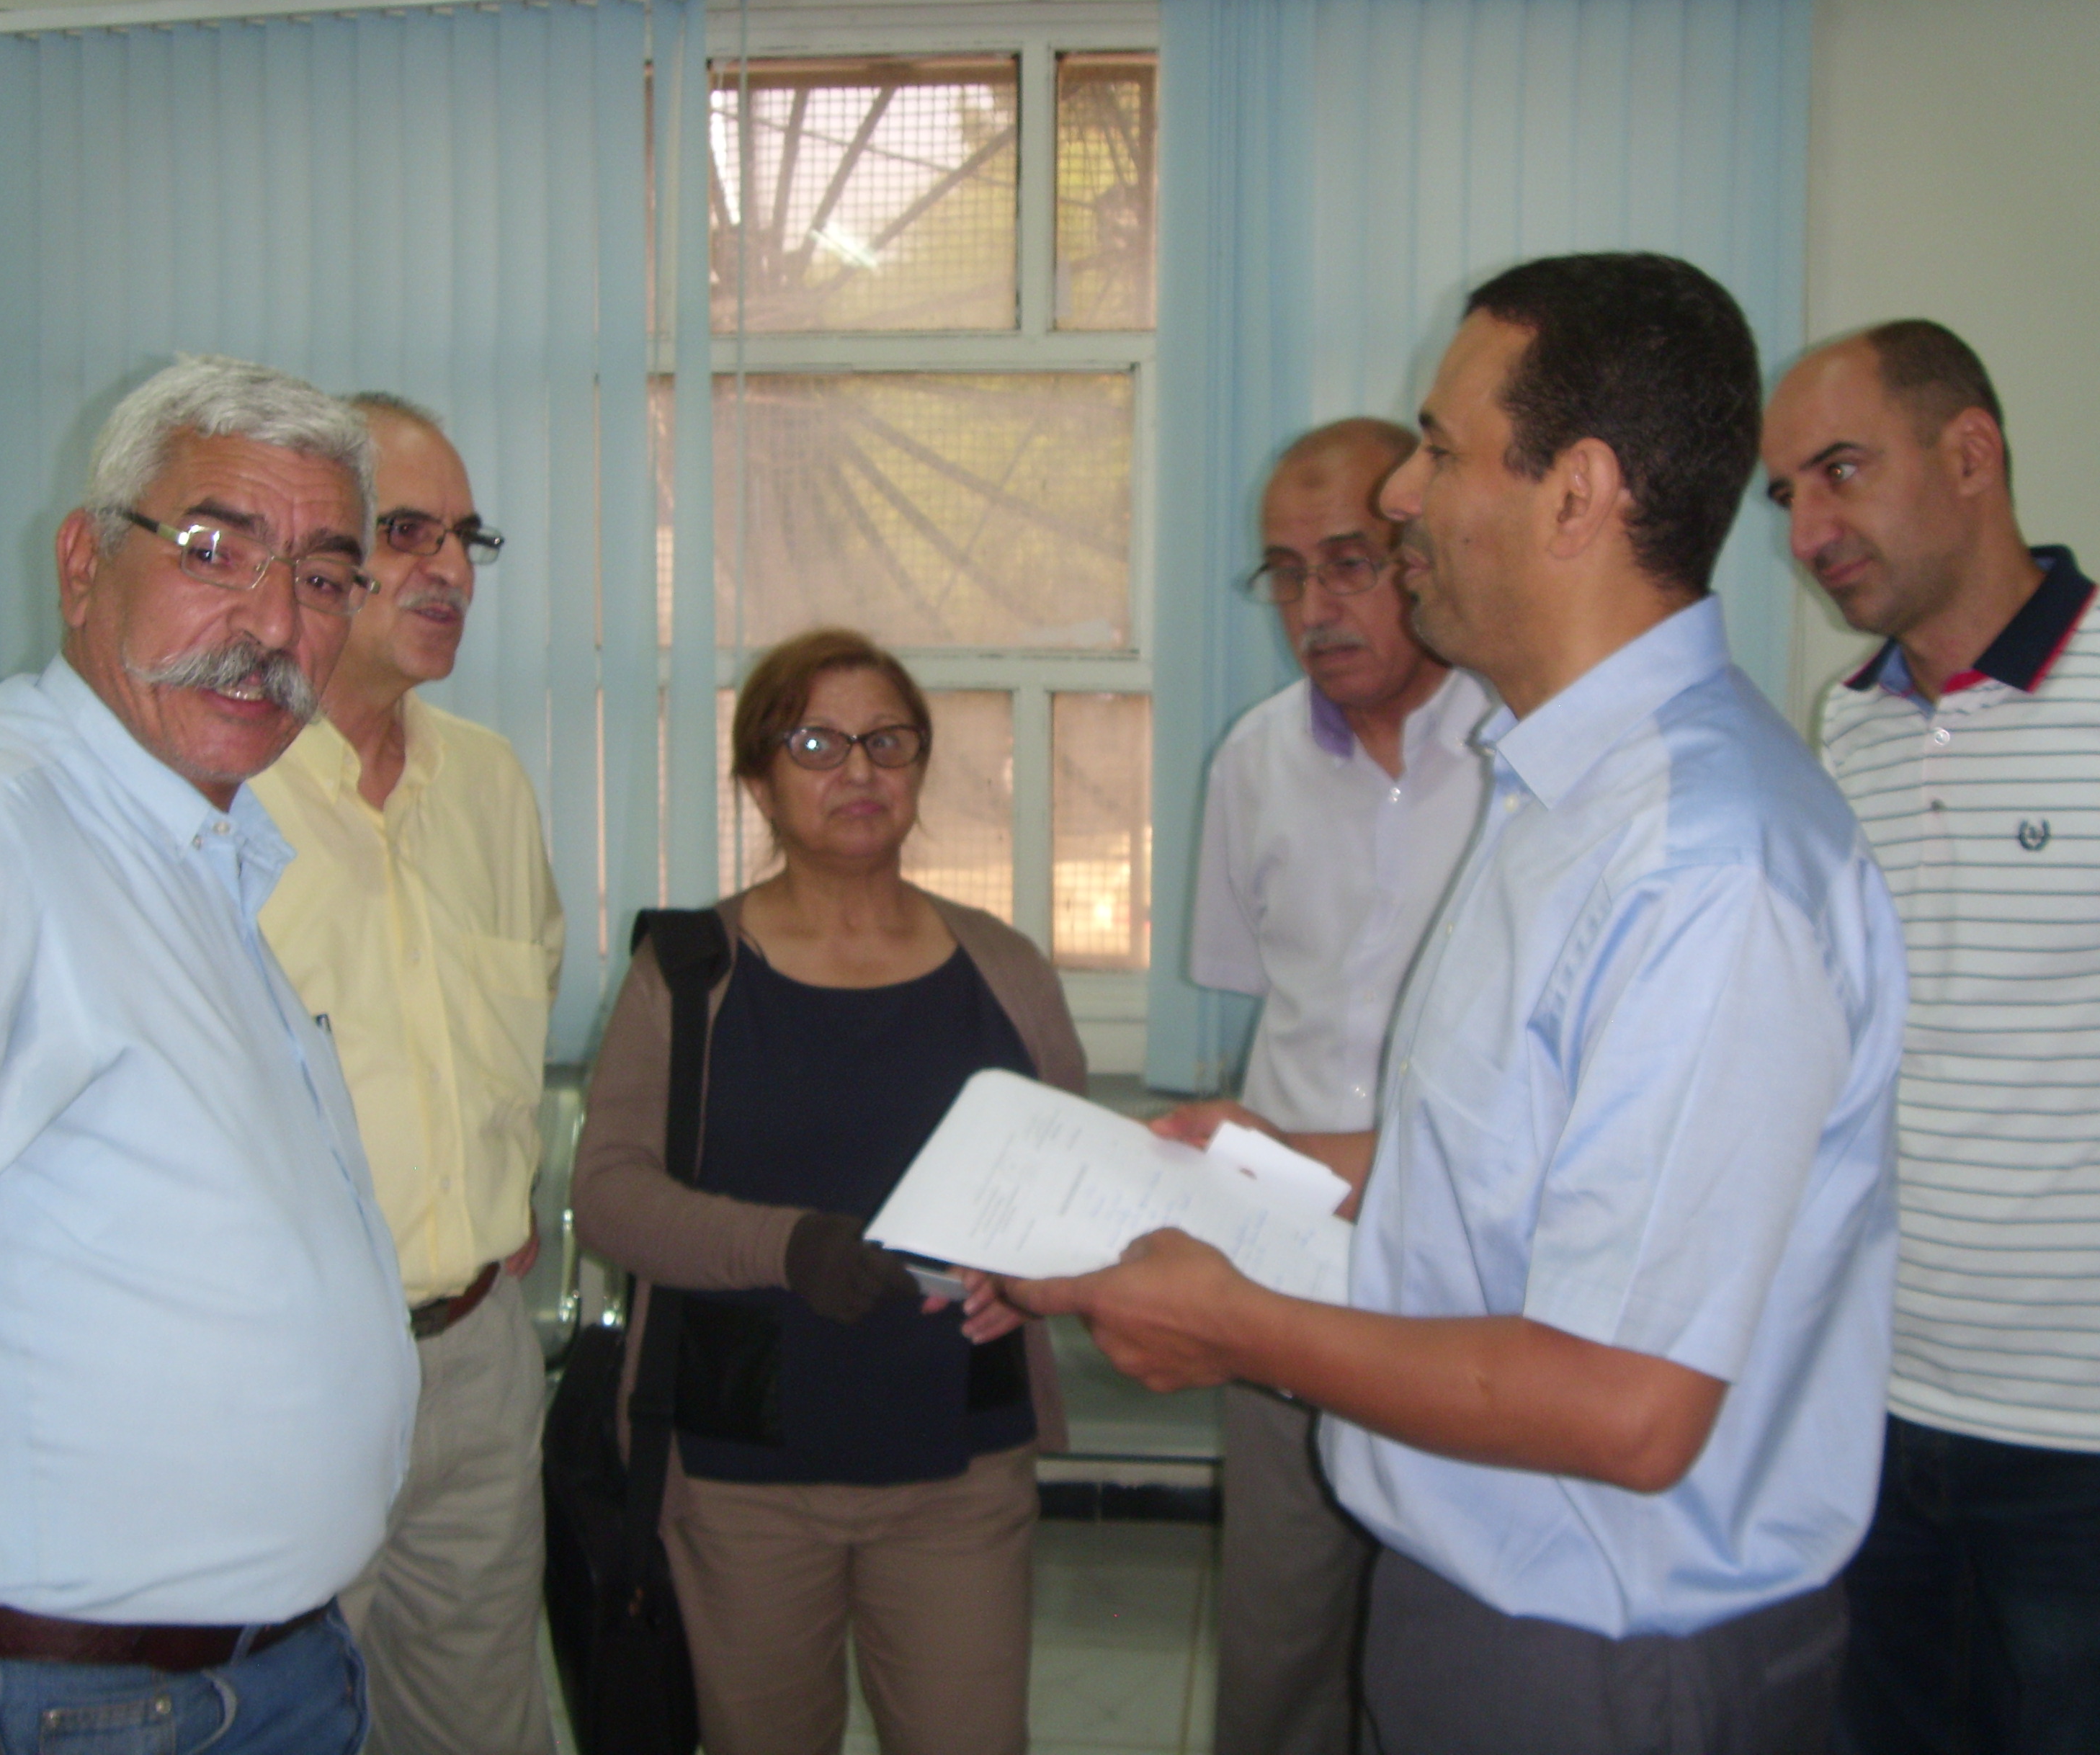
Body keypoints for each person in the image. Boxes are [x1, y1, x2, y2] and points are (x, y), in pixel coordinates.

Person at [1017, 253, 1909, 1754]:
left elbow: (1628, 1407)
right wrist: (1282, 1160)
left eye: (1439, 448)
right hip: (1474, 1596)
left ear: (1578, 496)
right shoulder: (1561, 783)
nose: (1403, 495)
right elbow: (1533, 1156)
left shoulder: (1703, 862)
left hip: (1602, 1657)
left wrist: (1240, 1327)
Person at [0, 354, 416, 1752]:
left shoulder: (186, 836)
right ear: (80, 565)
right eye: (213, 550)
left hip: (238, 1678)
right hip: (61, 1704)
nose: (273, 624)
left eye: (323, 577)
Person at [1763, 321, 2100, 1754]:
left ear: (1971, 454)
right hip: (1885, 1413)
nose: (1809, 532)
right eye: (1787, 496)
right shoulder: (1847, 728)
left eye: (1841, 472)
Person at [572, 628, 1083, 1755]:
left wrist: (1034, 1272)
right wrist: (787, 1246)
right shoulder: (690, 973)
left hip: (959, 1460)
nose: (859, 770)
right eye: (816, 743)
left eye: (887, 741)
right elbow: (606, 1193)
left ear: (920, 766)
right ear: (760, 779)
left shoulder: (1004, 971)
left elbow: (1071, 1187)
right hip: (744, 1474)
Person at [251, 394, 562, 1755]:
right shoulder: (217, 791)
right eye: (408, 533)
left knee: (479, 1723)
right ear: (316, 555)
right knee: (285, 1720)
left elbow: (508, 1030)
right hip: (289, 1372)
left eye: (466, 538)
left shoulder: (487, 784)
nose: (450, 572)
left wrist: (499, 1193)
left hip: (481, 1358)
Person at [1192, 416, 1488, 1755]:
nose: (1315, 607)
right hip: (1288, 1261)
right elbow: (1261, 998)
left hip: (1472, 1275)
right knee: (1281, 1638)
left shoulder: (1524, 748)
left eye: (1350, 562)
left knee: (1449, 1639)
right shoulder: (1253, 761)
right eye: (1286, 572)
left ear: (1422, 552)